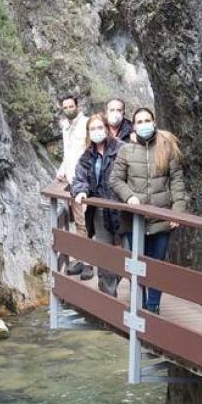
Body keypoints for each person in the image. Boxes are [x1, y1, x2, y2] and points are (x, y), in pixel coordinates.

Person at [109, 107, 186, 313]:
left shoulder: (167, 148)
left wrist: (177, 211)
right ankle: (139, 305)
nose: (144, 125)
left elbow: (177, 181)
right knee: (138, 265)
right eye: (139, 122)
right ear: (134, 126)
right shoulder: (126, 150)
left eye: (147, 120)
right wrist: (129, 196)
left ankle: (153, 306)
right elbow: (115, 180)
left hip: (161, 218)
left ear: (154, 122)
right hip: (135, 220)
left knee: (157, 266)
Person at [71, 113, 124, 292]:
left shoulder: (122, 149)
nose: (97, 131)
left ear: (107, 128)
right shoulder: (87, 156)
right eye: (92, 129)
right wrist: (81, 190)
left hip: (122, 209)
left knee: (127, 255)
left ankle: (113, 283)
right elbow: (79, 177)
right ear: (88, 132)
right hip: (100, 211)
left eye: (100, 127)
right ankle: (109, 296)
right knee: (104, 254)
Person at [55, 94, 89, 275]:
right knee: (79, 222)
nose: (68, 109)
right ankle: (82, 260)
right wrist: (61, 169)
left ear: (77, 106)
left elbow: (87, 151)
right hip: (71, 180)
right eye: (65, 107)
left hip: (85, 179)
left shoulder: (87, 124)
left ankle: (89, 263)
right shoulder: (65, 127)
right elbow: (68, 154)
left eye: (71, 106)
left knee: (86, 221)